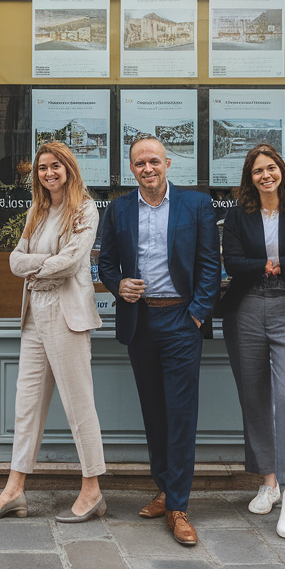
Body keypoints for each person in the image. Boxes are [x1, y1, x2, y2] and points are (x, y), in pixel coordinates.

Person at [0, 142, 107, 523]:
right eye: (42, 167)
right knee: (26, 405)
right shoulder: (36, 209)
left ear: (69, 168)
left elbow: (70, 264)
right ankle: (15, 489)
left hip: (67, 314)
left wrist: (36, 266)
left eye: (56, 166)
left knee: (78, 404)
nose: (49, 173)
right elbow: (15, 260)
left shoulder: (84, 209)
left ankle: (92, 488)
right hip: (34, 313)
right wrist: (39, 265)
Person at [98, 136, 220, 547]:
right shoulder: (118, 209)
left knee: (181, 413)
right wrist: (118, 285)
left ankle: (179, 506)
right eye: (139, 163)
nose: (147, 168)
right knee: (154, 411)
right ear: (130, 169)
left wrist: (198, 313)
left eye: (153, 161)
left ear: (168, 163)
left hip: (181, 319)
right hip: (140, 321)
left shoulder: (196, 204)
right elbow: (105, 261)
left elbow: (209, 263)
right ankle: (166, 490)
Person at [215, 144, 285, 539]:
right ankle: (269, 480)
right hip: (246, 308)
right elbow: (233, 262)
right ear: (250, 177)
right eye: (258, 170)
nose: (266, 175)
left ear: (282, 171)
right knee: (254, 395)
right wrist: (266, 265)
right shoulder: (238, 215)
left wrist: (281, 265)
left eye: (271, 168)